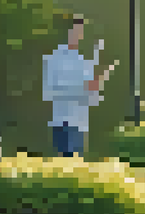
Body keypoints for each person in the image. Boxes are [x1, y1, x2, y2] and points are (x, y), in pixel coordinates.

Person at [42, 15, 116, 157]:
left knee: (77, 165)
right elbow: (48, 93)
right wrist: (83, 88)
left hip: (81, 125)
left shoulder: (83, 62)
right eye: (74, 31)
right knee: (65, 164)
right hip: (62, 122)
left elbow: (91, 99)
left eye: (79, 31)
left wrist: (96, 86)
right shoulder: (54, 59)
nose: (77, 35)